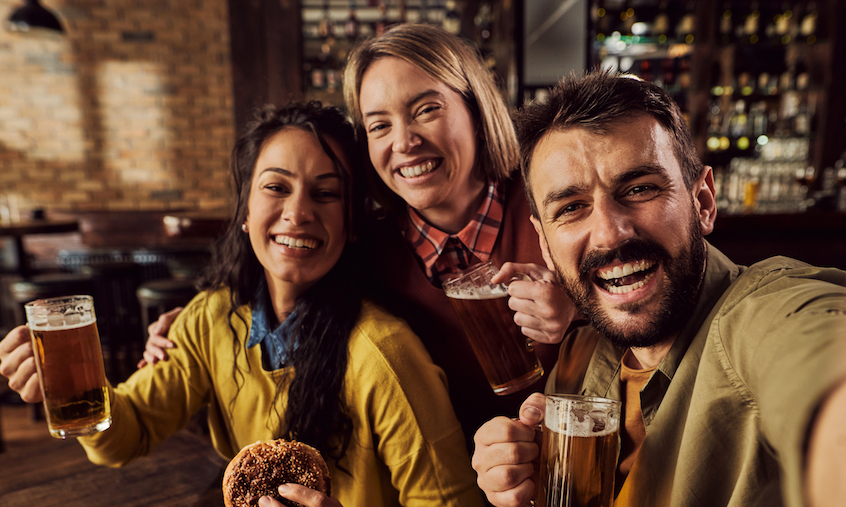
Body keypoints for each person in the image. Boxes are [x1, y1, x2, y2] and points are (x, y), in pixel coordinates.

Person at [0, 100, 491, 507]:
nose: (298, 212)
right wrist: (76, 394)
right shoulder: (210, 318)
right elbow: (127, 435)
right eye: (276, 187)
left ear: (352, 224)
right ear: (245, 212)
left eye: (326, 194)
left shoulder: (384, 355)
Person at [472, 70, 846, 507]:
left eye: (639, 189)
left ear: (703, 200)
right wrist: (530, 503)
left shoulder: (760, 317)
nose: (610, 232)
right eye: (571, 208)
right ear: (543, 241)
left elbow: (833, 361)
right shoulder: (581, 355)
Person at [144, 23, 579, 441]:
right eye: (379, 125)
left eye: (426, 110)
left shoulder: (556, 207)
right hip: (439, 488)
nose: (404, 141)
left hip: (570, 473)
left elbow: (643, 331)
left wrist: (581, 314)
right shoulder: (366, 244)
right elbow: (284, 289)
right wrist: (192, 324)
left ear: (476, 108)